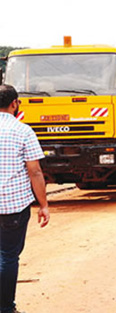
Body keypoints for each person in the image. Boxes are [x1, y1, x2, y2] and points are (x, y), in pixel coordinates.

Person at [0, 85, 50, 313]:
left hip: (12, 207)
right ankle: (6, 308)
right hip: (12, 207)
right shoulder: (23, 131)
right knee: (8, 256)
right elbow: (35, 172)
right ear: (15, 103)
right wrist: (44, 204)